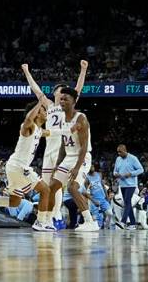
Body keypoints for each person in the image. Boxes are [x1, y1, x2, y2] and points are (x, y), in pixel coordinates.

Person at [21, 60, 88, 230]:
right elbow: (36, 90)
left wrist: (83, 70)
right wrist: (26, 71)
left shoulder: (69, 107)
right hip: (49, 149)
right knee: (46, 187)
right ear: (56, 93)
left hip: (63, 149)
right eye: (61, 91)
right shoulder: (49, 105)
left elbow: (78, 89)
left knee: (56, 186)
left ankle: (55, 216)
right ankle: (45, 219)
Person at [0, 98, 56, 231]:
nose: (46, 112)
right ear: (36, 113)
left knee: (14, 202)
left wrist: (71, 130)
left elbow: (52, 133)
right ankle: (40, 222)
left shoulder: (39, 130)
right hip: (19, 166)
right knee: (45, 190)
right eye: (43, 110)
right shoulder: (28, 126)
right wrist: (40, 102)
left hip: (15, 166)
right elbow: (29, 118)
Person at [49, 87, 98, 231]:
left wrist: (77, 167)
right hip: (68, 157)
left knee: (72, 188)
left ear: (74, 101)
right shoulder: (62, 119)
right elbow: (63, 146)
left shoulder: (81, 118)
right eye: (61, 99)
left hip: (82, 157)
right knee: (52, 187)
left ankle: (90, 221)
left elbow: (83, 146)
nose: (62, 101)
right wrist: (57, 164)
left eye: (65, 99)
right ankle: (50, 219)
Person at [114, 144, 144, 229]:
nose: (119, 153)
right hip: (122, 184)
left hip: (131, 184)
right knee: (128, 203)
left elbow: (141, 169)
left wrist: (131, 174)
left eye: (120, 151)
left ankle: (123, 222)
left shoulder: (133, 158)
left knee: (127, 201)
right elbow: (115, 171)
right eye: (118, 152)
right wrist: (116, 174)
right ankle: (133, 224)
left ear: (125, 150)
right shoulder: (118, 159)